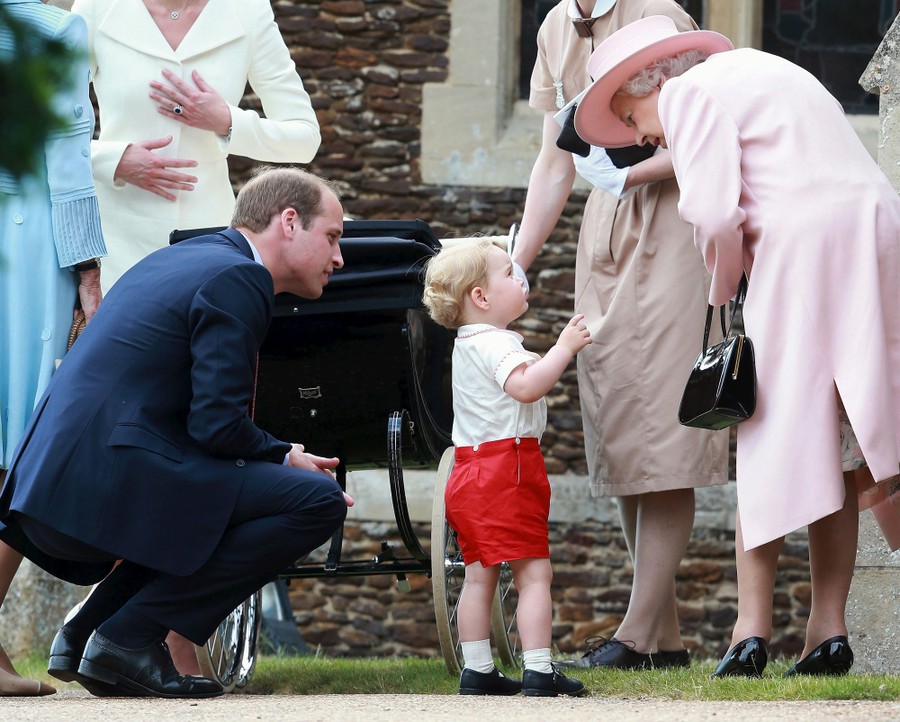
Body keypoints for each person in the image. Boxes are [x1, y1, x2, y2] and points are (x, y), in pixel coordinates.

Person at [574, 14, 900, 677]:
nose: (640, 136)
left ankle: (749, 634)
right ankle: (826, 632)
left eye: (631, 119)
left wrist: (723, 288)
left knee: (771, 430)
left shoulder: (688, 94)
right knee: (841, 439)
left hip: (801, 250)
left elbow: (718, 213)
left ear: (648, 86)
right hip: (875, 233)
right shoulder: (766, 69)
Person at [0, 167, 353, 698]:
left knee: (224, 492)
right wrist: (283, 455)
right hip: (108, 472)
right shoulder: (240, 277)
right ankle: (127, 637)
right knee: (317, 501)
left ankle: (88, 631)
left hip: (64, 472)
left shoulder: (186, 257)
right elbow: (217, 425)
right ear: (288, 222)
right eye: (332, 237)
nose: (339, 258)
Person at [513, 0, 728, 670]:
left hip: (671, 223)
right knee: (627, 430)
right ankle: (662, 640)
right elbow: (554, 163)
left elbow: (709, 132)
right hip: (603, 235)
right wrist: (516, 261)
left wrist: (631, 172)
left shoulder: (658, 10)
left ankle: (635, 635)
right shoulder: (553, 27)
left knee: (665, 427)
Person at [423, 238, 591, 697]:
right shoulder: (497, 343)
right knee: (534, 572)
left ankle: (477, 669)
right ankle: (539, 667)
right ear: (481, 297)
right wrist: (564, 349)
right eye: (510, 274)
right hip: (507, 469)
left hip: (468, 470)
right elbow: (526, 387)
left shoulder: (467, 344)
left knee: (479, 573)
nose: (520, 280)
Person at [0, 0, 107, 696]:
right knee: (20, 438)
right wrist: (88, 268)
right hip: (23, 240)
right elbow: (67, 150)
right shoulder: (53, 28)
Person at [70, 0, 321, 293]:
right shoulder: (96, 7)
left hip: (210, 245)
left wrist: (227, 121)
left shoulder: (249, 10)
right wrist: (113, 159)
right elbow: (40, 125)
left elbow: (305, 138)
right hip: (115, 242)